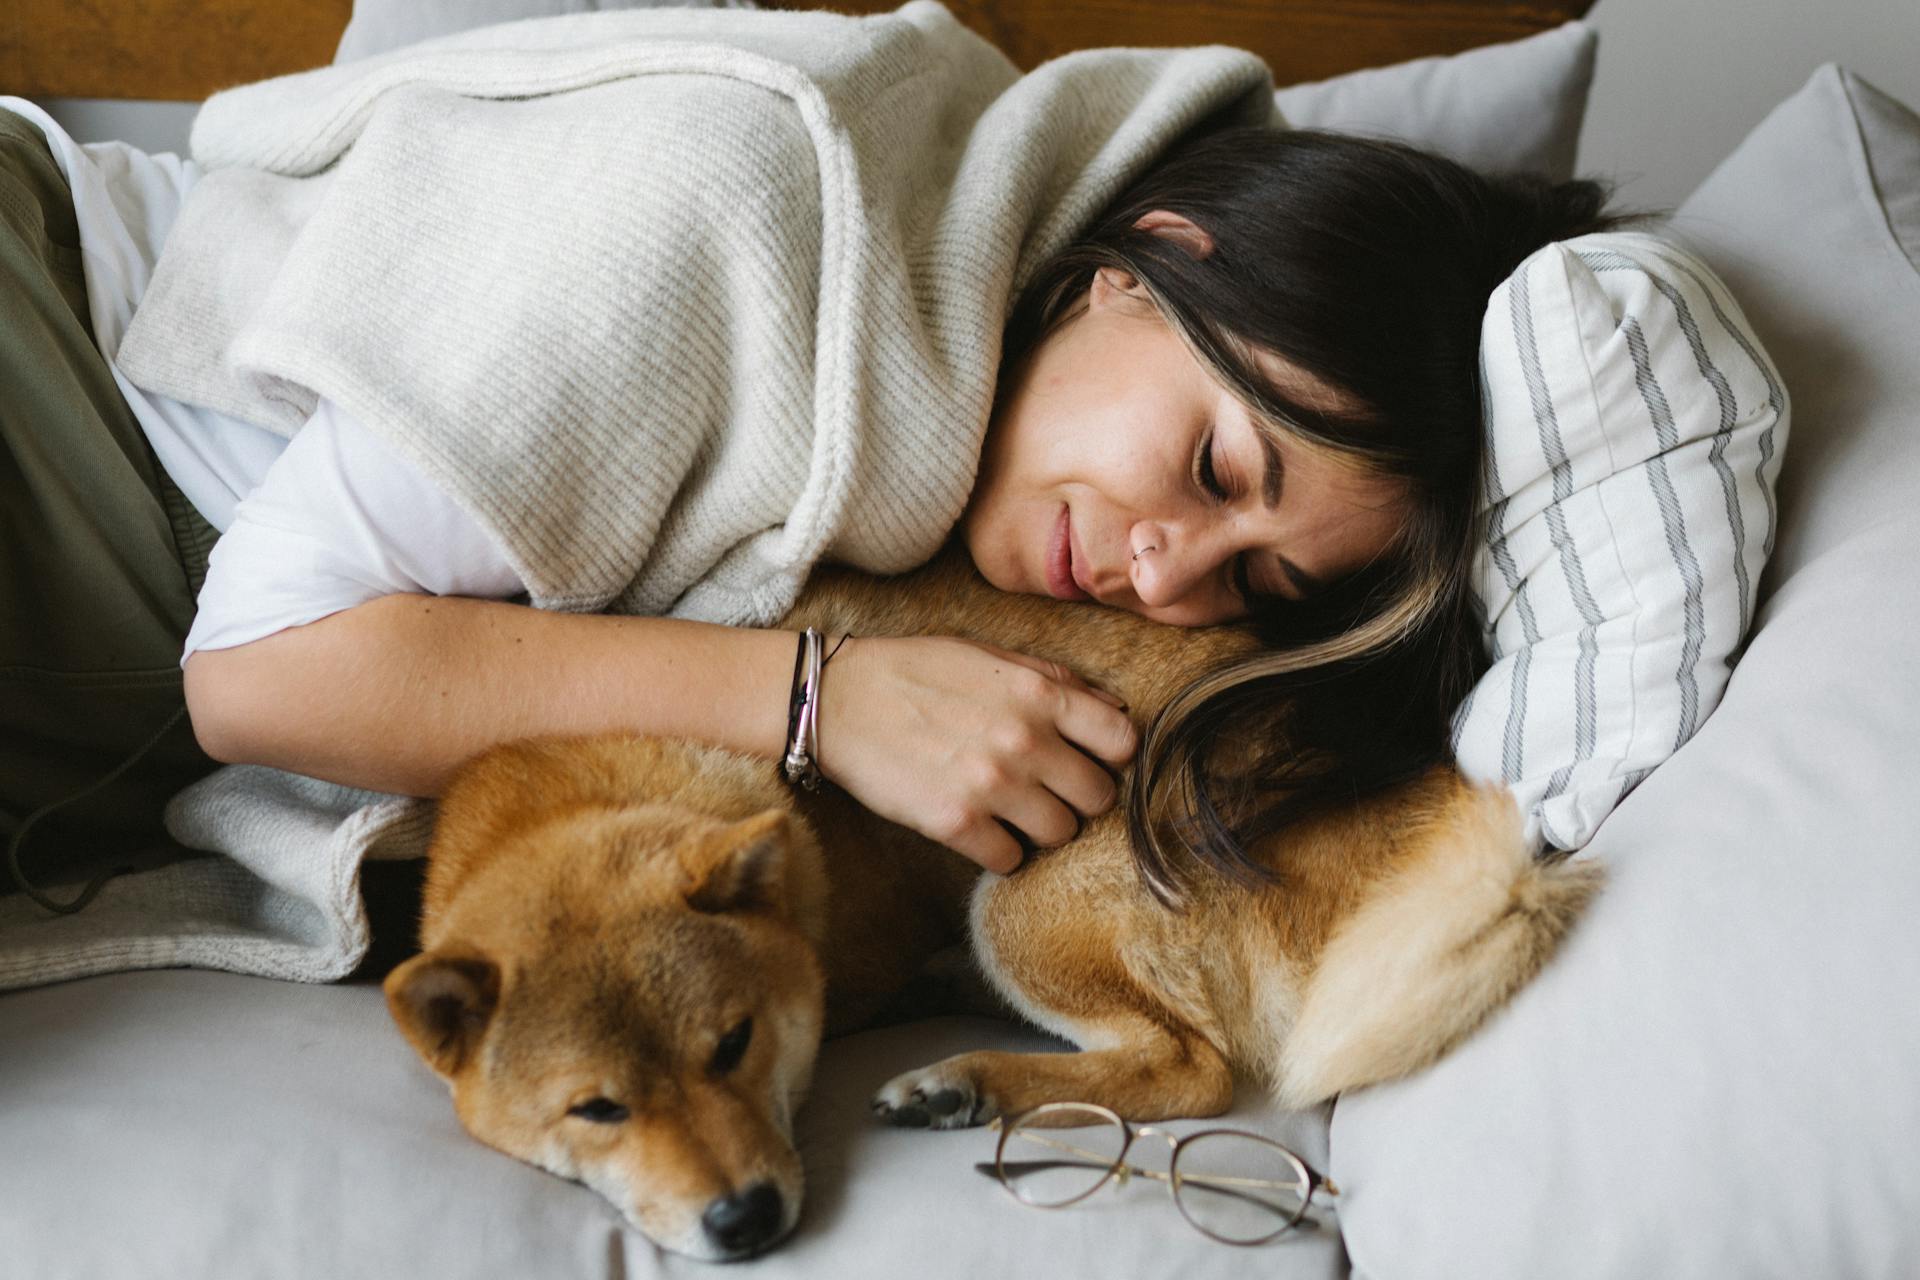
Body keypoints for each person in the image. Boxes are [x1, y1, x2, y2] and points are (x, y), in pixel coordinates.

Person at [0, 92, 1632, 915]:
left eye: (1258, 583)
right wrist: (813, 699)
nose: (1167, 572)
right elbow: (263, 671)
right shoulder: (735, 221)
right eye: (1215, 469)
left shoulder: (953, 473)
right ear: (1155, 263)